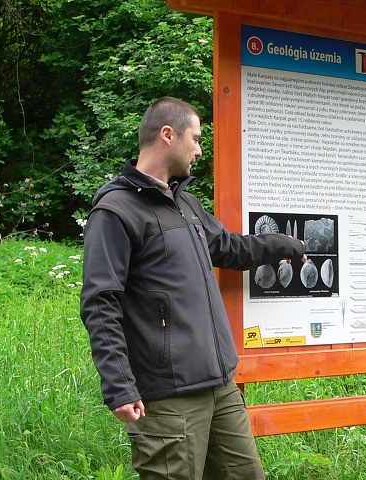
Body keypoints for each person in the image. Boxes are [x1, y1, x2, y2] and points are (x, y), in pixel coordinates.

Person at [80, 96, 306, 479]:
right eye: (196, 139)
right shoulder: (115, 211)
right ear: (168, 135)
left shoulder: (185, 203)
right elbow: (101, 302)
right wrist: (119, 385)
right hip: (167, 397)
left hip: (220, 386)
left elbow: (230, 248)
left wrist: (285, 244)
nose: (200, 150)